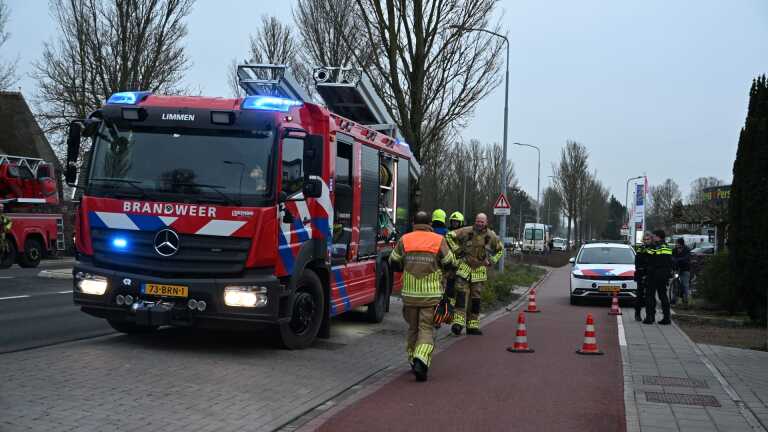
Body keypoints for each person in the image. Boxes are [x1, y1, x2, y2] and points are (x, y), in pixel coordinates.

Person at [389, 211, 455, 382]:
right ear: (430, 224)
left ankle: (412, 359)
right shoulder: (438, 240)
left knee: (413, 328)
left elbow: (393, 261)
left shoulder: (405, 239)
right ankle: (421, 360)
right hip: (430, 295)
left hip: (409, 294)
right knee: (426, 329)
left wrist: (406, 265)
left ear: (413, 223)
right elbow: (450, 262)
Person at [446, 213, 503, 335]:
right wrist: (457, 250)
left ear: (486, 222)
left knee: (476, 300)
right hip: (464, 268)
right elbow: (449, 236)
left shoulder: (491, 236)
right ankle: (458, 324)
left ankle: (472, 325)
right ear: (475, 221)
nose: (479, 223)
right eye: (478, 221)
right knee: (461, 296)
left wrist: (492, 260)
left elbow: (500, 250)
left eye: (482, 221)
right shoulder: (466, 231)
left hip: (479, 271)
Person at [644, 229, 673, 325]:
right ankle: (667, 318)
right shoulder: (667, 247)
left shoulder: (655, 246)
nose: (653, 238)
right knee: (663, 296)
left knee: (650, 295)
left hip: (654, 274)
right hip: (665, 274)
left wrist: (648, 245)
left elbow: (648, 254)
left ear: (657, 236)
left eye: (654, 236)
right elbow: (670, 261)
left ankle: (650, 317)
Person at [633, 232, 653, 322]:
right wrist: (640, 270)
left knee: (649, 296)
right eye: (644, 239)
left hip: (650, 275)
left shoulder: (653, 248)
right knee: (639, 295)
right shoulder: (640, 248)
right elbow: (637, 261)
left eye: (648, 239)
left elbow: (653, 261)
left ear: (651, 239)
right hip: (641, 274)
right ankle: (637, 314)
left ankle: (650, 315)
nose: (646, 241)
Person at [671, 238, 691, 305]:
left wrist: (678, 260)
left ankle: (686, 300)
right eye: (676, 243)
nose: (676, 244)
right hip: (676, 269)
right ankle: (674, 299)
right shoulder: (674, 250)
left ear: (681, 244)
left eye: (677, 243)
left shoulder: (687, 250)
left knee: (685, 285)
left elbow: (687, 258)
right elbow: (672, 257)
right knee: (675, 283)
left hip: (685, 269)